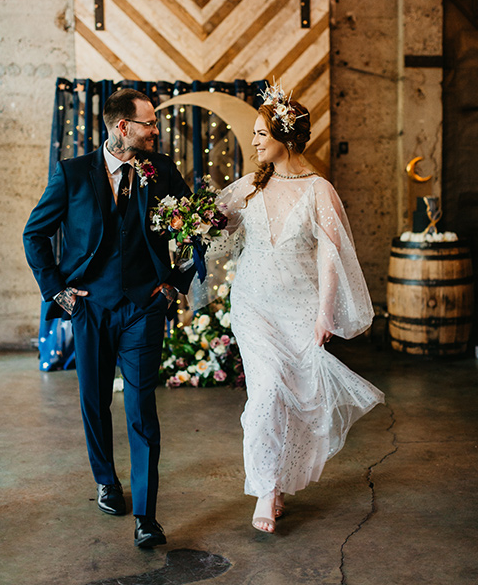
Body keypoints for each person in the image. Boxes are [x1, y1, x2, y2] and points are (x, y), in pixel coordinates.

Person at [23, 88, 195, 548]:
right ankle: (106, 480)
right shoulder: (72, 174)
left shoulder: (163, 172)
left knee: (142, 409)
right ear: (123, 127)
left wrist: (178, 280)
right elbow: (34, 234)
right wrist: (58, 292)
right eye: (150, 124)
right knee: (95, 400)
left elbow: (201, 224)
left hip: (143, 307)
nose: (156, 131)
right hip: (90, 306)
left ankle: (146, 515)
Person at [212, 84, 385, 533]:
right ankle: (266, 491)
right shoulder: (249, 186)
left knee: (296, 400)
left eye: (260, 133)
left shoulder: (318, 190)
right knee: (267, 393)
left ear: (285, 137)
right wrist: (189, 224)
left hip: (300, 307)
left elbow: (331, 256)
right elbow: (212, 228)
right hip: (253, 305)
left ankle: (279, 480)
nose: (253, 142)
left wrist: (326, 313)